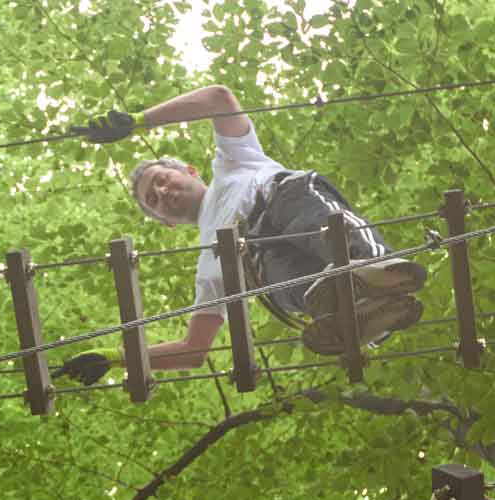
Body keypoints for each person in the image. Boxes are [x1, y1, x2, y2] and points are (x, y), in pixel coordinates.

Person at [53, 85, 428, 386]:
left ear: (190, 170)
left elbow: (218, 98)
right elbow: (193, 349)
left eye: (162, 180)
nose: (163, 193)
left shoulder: (234, 160)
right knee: (280, 284)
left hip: (281, 200)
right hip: (258, 260)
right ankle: (356, 316)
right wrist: (119, 358)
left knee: (322, 228)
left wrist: (138, 121)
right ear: (164, 221)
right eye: (154, 200)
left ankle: (374, 268)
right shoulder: (208, 269)